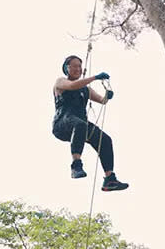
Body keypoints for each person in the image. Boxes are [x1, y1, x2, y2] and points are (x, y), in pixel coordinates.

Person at [52, 55, 128, 191]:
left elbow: (101, 100)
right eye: (74, 66)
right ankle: (76, 165)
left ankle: (109, 179)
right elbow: (72, 85)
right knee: (80, 124)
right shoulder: (60, 82)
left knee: (104, 140)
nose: (77, 69)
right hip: (62, 123)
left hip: (80, 123)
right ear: (66, 68)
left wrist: (107, 96)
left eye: (79, 66)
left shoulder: (85, 89)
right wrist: (94, 78)